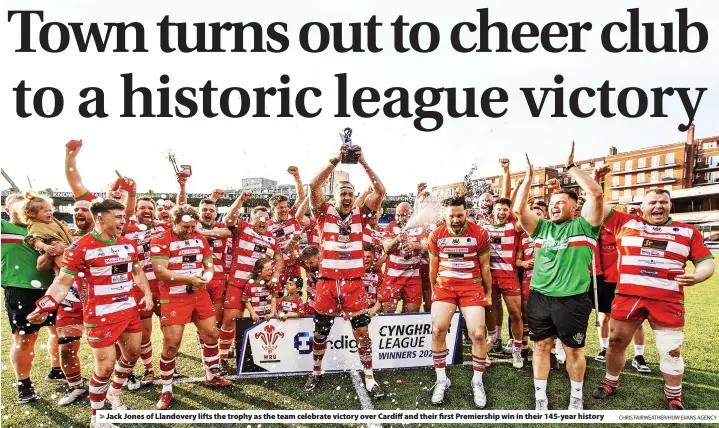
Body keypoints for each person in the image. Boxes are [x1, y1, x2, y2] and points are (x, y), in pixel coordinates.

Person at [27, 198, 154, 428]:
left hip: (129, 310)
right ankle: (97, 417)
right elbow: (62, 283)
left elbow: (137, 271)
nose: (123, 221)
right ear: (100, 218)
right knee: (104, 367)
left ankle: (114, 392)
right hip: (100, 315)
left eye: (123, 216)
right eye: (118, 217)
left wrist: (146, 293)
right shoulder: (80, 248)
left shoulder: (127, 244)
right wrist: (44, 306)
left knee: (133, 354)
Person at [592, 188, 715, 410]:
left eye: (663, 202)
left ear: (670, 206)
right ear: (642, 207)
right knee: (616, 342)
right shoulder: (625, 223)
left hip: (667, 300)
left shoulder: (687, 232)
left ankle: (674, 396)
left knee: (671, 349)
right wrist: (578, 171)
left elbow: (706, 261)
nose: (658, 206)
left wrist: (697, 276)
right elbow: (596, 199)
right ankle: (610, 382)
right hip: (628, 296)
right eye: (652, 202)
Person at [514, 143, 604, 411]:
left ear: (575, 208)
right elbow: (519, 211)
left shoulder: (585, 225)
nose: (554, 207)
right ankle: (540, 397)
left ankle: (576, 396)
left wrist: (572, 168)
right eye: (552, 203)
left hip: (573, 299)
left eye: (560, 203)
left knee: (573, 351)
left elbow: (596, 194)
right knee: (541, 347)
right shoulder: (541, 228)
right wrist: (529, 179)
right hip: (540, 297)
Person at [304, 143, 386, 399]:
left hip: (353, 284)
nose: (348, 197)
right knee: (320, 333)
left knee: (362, 333)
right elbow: (313, 187)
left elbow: (380, 190)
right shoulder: (322, 215)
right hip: (327, 284)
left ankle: (370, 378)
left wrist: (363, 162)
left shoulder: (362, 214)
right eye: (343, 193)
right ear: (335, 198)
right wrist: (335, 159)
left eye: (351, 193)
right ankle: (316, 371)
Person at [150, 205, 232, 410]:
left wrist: (205, 279)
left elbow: (209, 266)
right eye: (185, 226)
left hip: (199, 294)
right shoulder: (161, 239)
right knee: (171, 344)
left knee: (212, 335)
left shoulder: (200, 238)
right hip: (174, 297)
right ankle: (166, 388)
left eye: (193, 226)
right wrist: (189, 278)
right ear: (174, 222)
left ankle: (212, 375)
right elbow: (160, 271)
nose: (189, 230)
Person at [427, 195, 492, 408]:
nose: (456, 220)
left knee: (478, 333)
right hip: (445, 286)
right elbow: (432, 269)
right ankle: (441, 379)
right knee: (437, 330)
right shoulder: (436, 235)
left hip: (471, 287)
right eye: (451, 216)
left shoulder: (480, 233)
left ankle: (477, 381)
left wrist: (488, 293)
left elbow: (485, 267)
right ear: (444, 216)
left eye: (460, 215)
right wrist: (436, 292)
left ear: (466, 213)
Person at [2, 194, 60, 404]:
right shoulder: (4, 228)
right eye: (20, 208)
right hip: (21, 289)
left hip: (54, 288)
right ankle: (24, 385)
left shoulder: (44, 229)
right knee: (25, 338)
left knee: (59, 332)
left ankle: (57, 370)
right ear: (8, 209)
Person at [219, 194, 283, 373]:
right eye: (259, 219)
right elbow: (229, 218)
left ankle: (257, 354)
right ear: (251, 219)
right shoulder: (243, 229)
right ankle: (222, 358)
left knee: (263, 321)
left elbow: (279, 261)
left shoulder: (272, 239)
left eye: (266, 219)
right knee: (230, 320)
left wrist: (275, 278)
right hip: (238, 284)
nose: (262, 222)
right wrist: (240, 200)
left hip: (261, 288)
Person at [54, 200, 95, 405]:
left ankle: (118, 380)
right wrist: (49, 251)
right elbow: (42, 264)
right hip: (70, 300)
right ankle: (76, 386)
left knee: (113, 347)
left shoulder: (106, 238)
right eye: (76, 209)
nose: (79, 212)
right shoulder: (63, 236)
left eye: (84, 209)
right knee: (67, 348)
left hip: (99, 300)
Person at [482, 197, 525, 368]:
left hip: (509, 276)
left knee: (516, 314)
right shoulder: (484, 228)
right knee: (488, 311)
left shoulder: (514, 226)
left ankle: (517, 350)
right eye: (498, 209)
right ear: (493, 210)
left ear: (510, 212)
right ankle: (490, 342)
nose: (501, 212)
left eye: (505, 210)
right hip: (490, 278)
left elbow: (521, 212)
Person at [379, 202, 428, 313]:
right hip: (392, 278)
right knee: (387, 314)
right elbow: (386, 248)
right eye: (398, 215)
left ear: (411, 215)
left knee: (410, 315)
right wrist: (397, 239)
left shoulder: (421, 227)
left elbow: (426, 247)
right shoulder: (391, 226)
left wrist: (414, 246)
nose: (400, 218)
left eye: (404, 215)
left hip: (413, 278)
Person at [516, 200, 548, 364]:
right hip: (529, 280)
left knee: (548, 316)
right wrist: (523, 264)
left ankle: (552, 351)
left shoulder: (551, 233)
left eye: (539, 215)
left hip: (549, 281)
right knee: (526, 314)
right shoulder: (522, 236)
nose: (535, 218)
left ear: (544, 216)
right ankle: (523, 348)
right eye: (532, 215)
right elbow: (516, 260)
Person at [194, 198, 232, 325]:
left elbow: (228, 233)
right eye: (204, 210)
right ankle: (202, 341)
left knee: (218, 319)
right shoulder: (191, 227)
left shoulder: (221, 227)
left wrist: (203, 233)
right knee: (202, 317)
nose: (207, 213)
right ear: (199, 213)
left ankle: (214, 341)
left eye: (211, 210)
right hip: (199, 276)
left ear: (216, 214)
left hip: (219, 278)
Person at [21, 192, 73, 275]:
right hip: (56, 252)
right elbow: (35, 240)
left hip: (65, 248)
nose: (49, 213)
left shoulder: (54, 222)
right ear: (32, 214)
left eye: (50, 210)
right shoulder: (36, 225)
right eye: (45, 211)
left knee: (60, 274)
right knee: (64, 272)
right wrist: (45, 247)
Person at [243, 258, 279, 323]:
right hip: (256, 319)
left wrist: (272, 313)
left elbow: (274, 300)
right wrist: (253, 313)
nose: (270, 272)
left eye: (271, 269)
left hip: (270, 318)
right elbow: (246, 300)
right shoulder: (250, 284)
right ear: (259, 271)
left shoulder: (271, 284)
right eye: (268, 270)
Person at [298, 245, 320, 316]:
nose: (309, 265)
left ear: (319, 257)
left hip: (328, 305)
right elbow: (287, 254)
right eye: (307, 262)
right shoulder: (307, 264)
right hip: (311, 304)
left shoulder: (329, 268)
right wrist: (294, 241)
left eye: (311, 262)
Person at [362, 243, 382, 313]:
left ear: (373, 257)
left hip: (373, 312)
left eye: (368, 257)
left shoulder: (378, 275)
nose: (365, 259)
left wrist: (374, 310)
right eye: (363, 257)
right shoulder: (354, 274)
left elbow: (380, 299)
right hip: (356, 311)